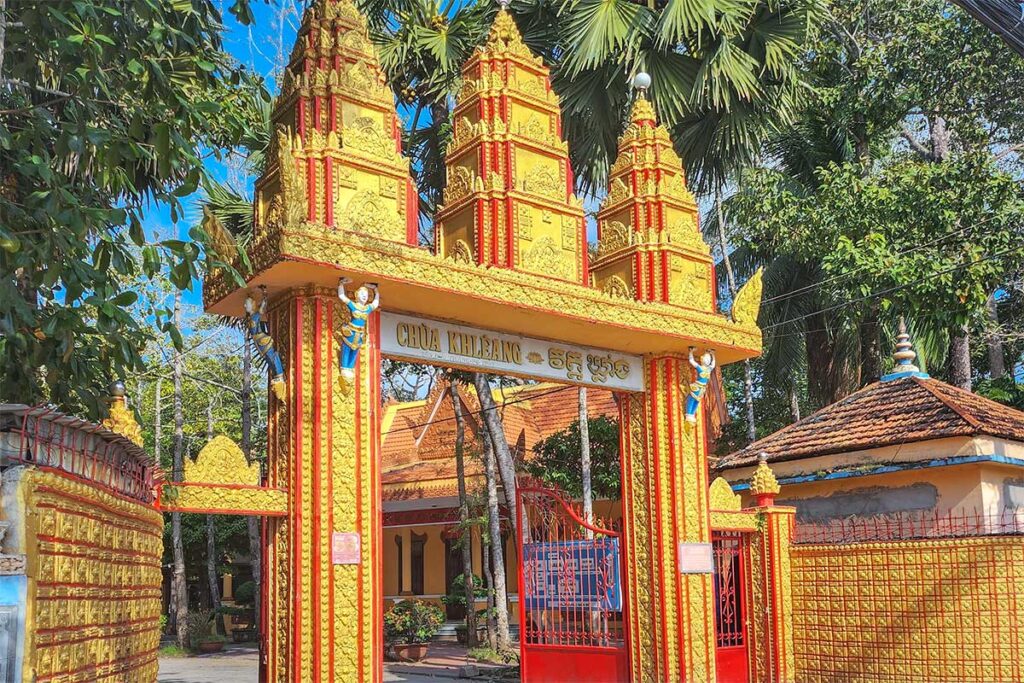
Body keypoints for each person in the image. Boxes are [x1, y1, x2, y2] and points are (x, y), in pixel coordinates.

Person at [244, 286, 287, 400]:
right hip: (259, 342)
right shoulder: (250, 318)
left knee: (272, 358)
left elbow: (262, 309)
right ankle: (278, 377)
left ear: (252, 304)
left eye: (247, 304)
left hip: (263, 341)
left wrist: (264, 295)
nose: (245, 306)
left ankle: (280, 377)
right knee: (269, 360)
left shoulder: (255, 315)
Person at [337, 277, 380, 385]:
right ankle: (344, 368)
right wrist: (341, 284)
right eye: (362, 294)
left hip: (360, 334)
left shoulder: (367, 309)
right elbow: (341, 296)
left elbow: (376, 303)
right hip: (351, 332)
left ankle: (350, 368)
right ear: (357, 295)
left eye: (366, 295)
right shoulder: (353, 306)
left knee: (355, 351)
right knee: (346, 349)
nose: (365, 296)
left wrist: (375, 290)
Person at [684, 346, 715, 424]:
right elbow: (713, 364)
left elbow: (691, 361)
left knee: (693, 400)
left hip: (699, 388)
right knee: (695, 400)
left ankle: (690, 414)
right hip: (700, 387)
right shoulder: (706, 369)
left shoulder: (703, 368)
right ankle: (690, 414)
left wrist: (691, 352)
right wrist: (713, 354)